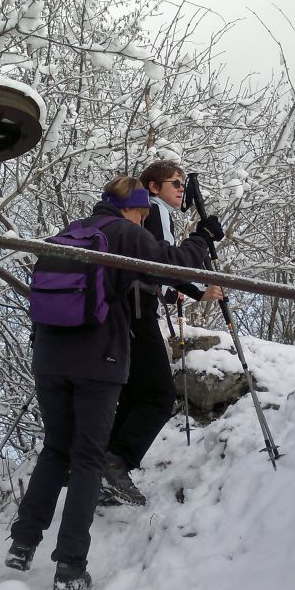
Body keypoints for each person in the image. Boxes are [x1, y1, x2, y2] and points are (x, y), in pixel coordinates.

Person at [5, 175, 224, 590]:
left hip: (49, 359)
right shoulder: (125, 234)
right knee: (87, 458)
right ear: (135, 208)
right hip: (98, 359)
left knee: (56, 448)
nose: (144, 220)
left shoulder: (69, 233)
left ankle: (22, 543)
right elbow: (175, 261)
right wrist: (202, 236)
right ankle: (70, 568)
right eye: (143, 213)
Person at [102, 160, 223, 506]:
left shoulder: (147, 214)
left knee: (135, 394)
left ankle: (105, 465)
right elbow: (162, 263)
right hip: (136, 310)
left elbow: (155, 267)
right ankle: (115, 462)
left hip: (129, 307)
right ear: (153, 188)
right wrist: (202, 245)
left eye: (183, 185)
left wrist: (191, 291)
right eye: (175, 183)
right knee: (158, 394)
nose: (181, 191)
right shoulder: (154, 211)